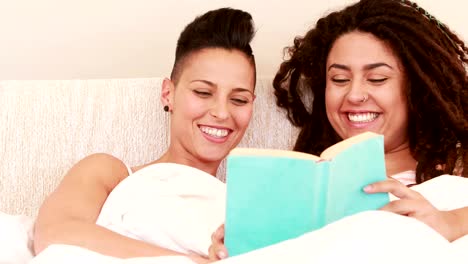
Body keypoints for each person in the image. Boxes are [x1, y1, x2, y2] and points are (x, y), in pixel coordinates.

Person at [209, 0, 467, 260]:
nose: (354, 95)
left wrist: (452, 222)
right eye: (339, 80)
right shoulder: (299, 188)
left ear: (416, 86)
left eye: (377, 79)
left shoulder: (456, 168)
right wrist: (239, 245)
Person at [33, 7, 257, 264]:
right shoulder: (108, 173)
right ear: (168, 94)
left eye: (239, 99)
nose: (221, 113)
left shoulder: (241, 212)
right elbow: (55, 235)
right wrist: (190, 261)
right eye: (203, 93)